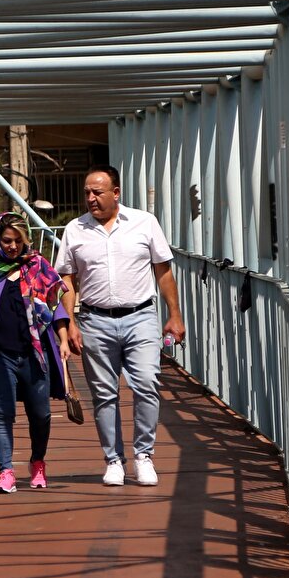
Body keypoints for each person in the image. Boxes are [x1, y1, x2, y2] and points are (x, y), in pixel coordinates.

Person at [54, 165, 186, 487]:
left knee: (147, 383)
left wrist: (175, 315)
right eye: (87, 192)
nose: (90, 198)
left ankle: (144, 456)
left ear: (116, 193)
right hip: (94, 320)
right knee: (104, 394)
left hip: (140, 317)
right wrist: (69, 323)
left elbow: (163, 271)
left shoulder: (144, 222)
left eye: (97, 192)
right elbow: (67, 279)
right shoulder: (75, 229)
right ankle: (113, 460)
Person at [0, 212, 71, 494]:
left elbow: (54, 304)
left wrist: (64, 339)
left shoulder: (38, 266)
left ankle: (38, 463)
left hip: (35, 353)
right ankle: (6, 472)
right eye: (7, 240)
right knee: (2, 413)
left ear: (25, 240)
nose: (12, 246)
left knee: (41, 414)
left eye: (17, 241)